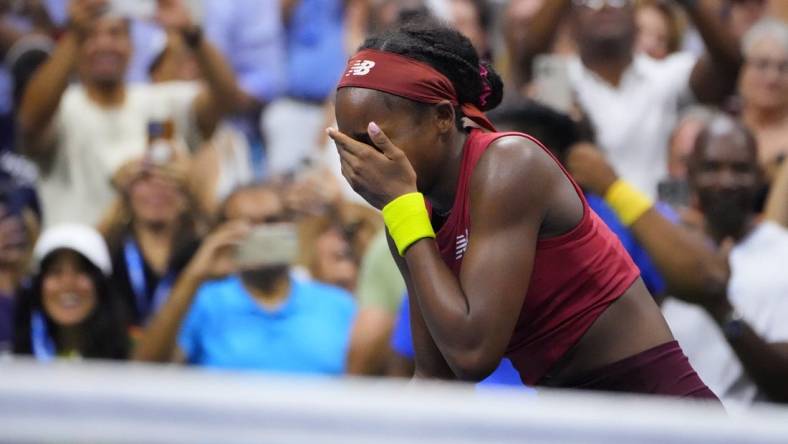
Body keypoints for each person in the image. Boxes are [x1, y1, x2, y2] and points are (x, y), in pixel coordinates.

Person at [327, 21, 715, 397]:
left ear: (443, 118)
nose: (363, 161)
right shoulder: (411, 211)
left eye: (375, 140)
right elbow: (437, 378)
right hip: (572, 421)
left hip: (656, 408)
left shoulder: (509, 164)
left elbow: (472, 354)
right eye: (349, 144)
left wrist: (402, 210)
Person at [18, 0, 244, 228]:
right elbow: (29, 121)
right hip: (79, 259)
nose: (105, 44)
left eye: (116, 33)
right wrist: (75, 33)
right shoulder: (63, 106)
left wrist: (191, 33)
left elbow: (226, 97)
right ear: (75, 46)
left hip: (160, 257)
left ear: (132, 45)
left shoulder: (159, 99)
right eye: (91, 36)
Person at [506, 0, 743, 198]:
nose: (605, 6)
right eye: (590, 1)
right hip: (588, 229)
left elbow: (729, 68)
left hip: (657, 230)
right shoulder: (558, 80)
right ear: (572, 20)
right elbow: (528, 56)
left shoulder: (665, 74)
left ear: (635, 14)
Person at [134, 183, 357, 375]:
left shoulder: (338, 305)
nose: (261, 233)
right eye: (247, 224)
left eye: (272, 221)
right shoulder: (204, 302)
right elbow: (144, 369)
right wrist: (195, 275)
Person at [659, 114, 788, 408]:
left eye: (740, 169)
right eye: (712, 168)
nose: (726, 182)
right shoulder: (668, 252)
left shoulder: (784, 253)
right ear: (689, 174)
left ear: (759, 175)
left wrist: (720, 307)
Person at [101, 158, 202, 331]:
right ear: (127, 194)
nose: (157, 190)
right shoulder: (112, 248)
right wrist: (118, 194)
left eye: (169, 181)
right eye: (144, 180)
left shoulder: (199, 251)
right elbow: (88, 248)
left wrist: (195, 186)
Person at [13, 224, 129, 360]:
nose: (68, 284)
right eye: (55, 271)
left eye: (81, 270)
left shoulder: (135, 360)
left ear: (101, 285)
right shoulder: (9, 364)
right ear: (38, 286)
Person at [737, 18, 788, 177]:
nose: (773, 78)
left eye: (783, 68)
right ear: (743, 70)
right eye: (762, 64)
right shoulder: (723, 128)